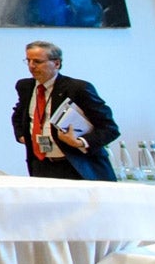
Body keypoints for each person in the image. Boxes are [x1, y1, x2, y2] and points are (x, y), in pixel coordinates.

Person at [11, 40, 119, 180]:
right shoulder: (25, 86)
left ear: (56, 63)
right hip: (41, 165)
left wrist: (80, 142)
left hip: (76, 166)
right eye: (28, 61)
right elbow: (18, 114)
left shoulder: (78, 89)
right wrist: (22, 135)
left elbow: (110, 128)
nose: (31, 66)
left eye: (37, 61)